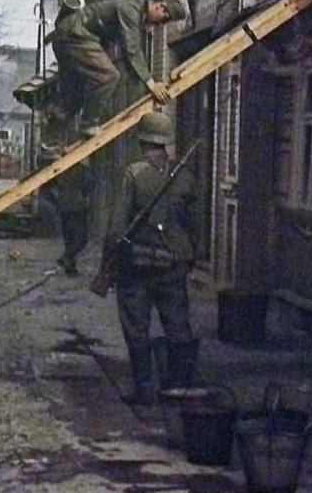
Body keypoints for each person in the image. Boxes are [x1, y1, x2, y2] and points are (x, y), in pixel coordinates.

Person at [104, 111, 203, 413]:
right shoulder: (186, 177)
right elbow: (196, 224)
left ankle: (144, 390)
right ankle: (179, 388)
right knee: (177, 325)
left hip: (138, 266)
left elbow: (117, 227)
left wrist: (109, 262)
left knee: (136, 326)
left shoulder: (133, 174)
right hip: (173, 264)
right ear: (166, 143)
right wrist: (189, 257)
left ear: (143, 141)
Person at [50, 0, 186, 138]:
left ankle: (50, 145)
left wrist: (146, 88)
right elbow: (132, 50)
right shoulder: (130, 9)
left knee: (76, 95)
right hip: (75, 35)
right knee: (108, 76)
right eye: (165, 19)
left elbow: (130, 60)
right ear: (160, 7)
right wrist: (153, 85)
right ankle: (88, 125)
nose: (161, 24)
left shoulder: (135, 13)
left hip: (68, 37)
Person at [55, 159, 92, 276]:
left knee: (69, 238)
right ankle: (66, 257)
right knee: (81, 238)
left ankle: (70, 267)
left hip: (64, 206)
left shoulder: (61, 168)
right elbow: (89, 185)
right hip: (77, 206)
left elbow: (56, 185)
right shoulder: (82, 169)